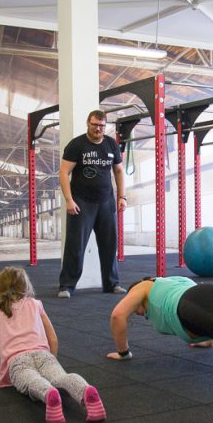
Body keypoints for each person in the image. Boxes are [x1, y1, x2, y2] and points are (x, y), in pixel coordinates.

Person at [0, 266, 106, 423]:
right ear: (26, 286)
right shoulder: (35, 304)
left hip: (17, 361)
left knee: (30, 381)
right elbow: (53, 338)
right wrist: (52, 360)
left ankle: (48, 394)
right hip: (44, 355)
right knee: (61, 377)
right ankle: (85, 389)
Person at [57, 109, 127, 298]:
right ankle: (67, 286)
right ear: (88, 123)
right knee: (75, 246)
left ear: (105, 126)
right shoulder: (77, 145)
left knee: (109, 245)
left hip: (106, 202)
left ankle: (112, 284)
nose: (98, 129)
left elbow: (119, 171)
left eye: (102, 126)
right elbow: (64, 173)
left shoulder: (111, 144)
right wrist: (69, 200)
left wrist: (122, 197)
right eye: (95, 125)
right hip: (81, 203)